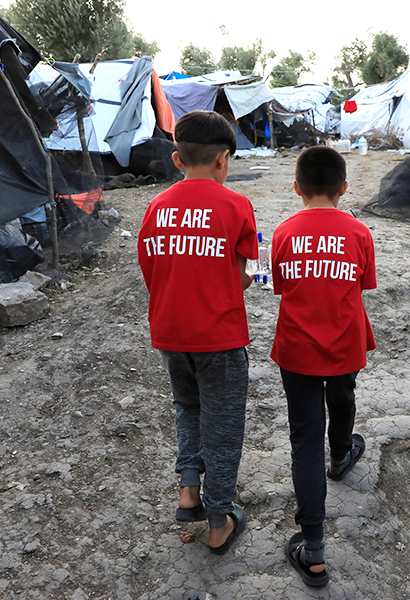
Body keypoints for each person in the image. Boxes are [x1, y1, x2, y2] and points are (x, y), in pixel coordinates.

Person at [137, 110, 258, 555]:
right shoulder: (237, 206)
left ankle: (189, 487)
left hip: (170, 333)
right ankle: (219, 518)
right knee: (223, 425)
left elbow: (152, 270)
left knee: (187, 405)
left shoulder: (156, 206)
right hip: (220, 337)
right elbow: (245, 276)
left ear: (176, 158)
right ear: (224, 160)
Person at [269, 145, 377, 586]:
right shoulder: (358, 233)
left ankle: (312, 547)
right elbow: (362, 284)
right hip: (345, 341)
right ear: (344, 189)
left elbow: (280, 287)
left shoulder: (282, 233)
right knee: (344, 395)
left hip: (297, 348)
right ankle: (342, 455)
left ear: (296, 188)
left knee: (303, 439)